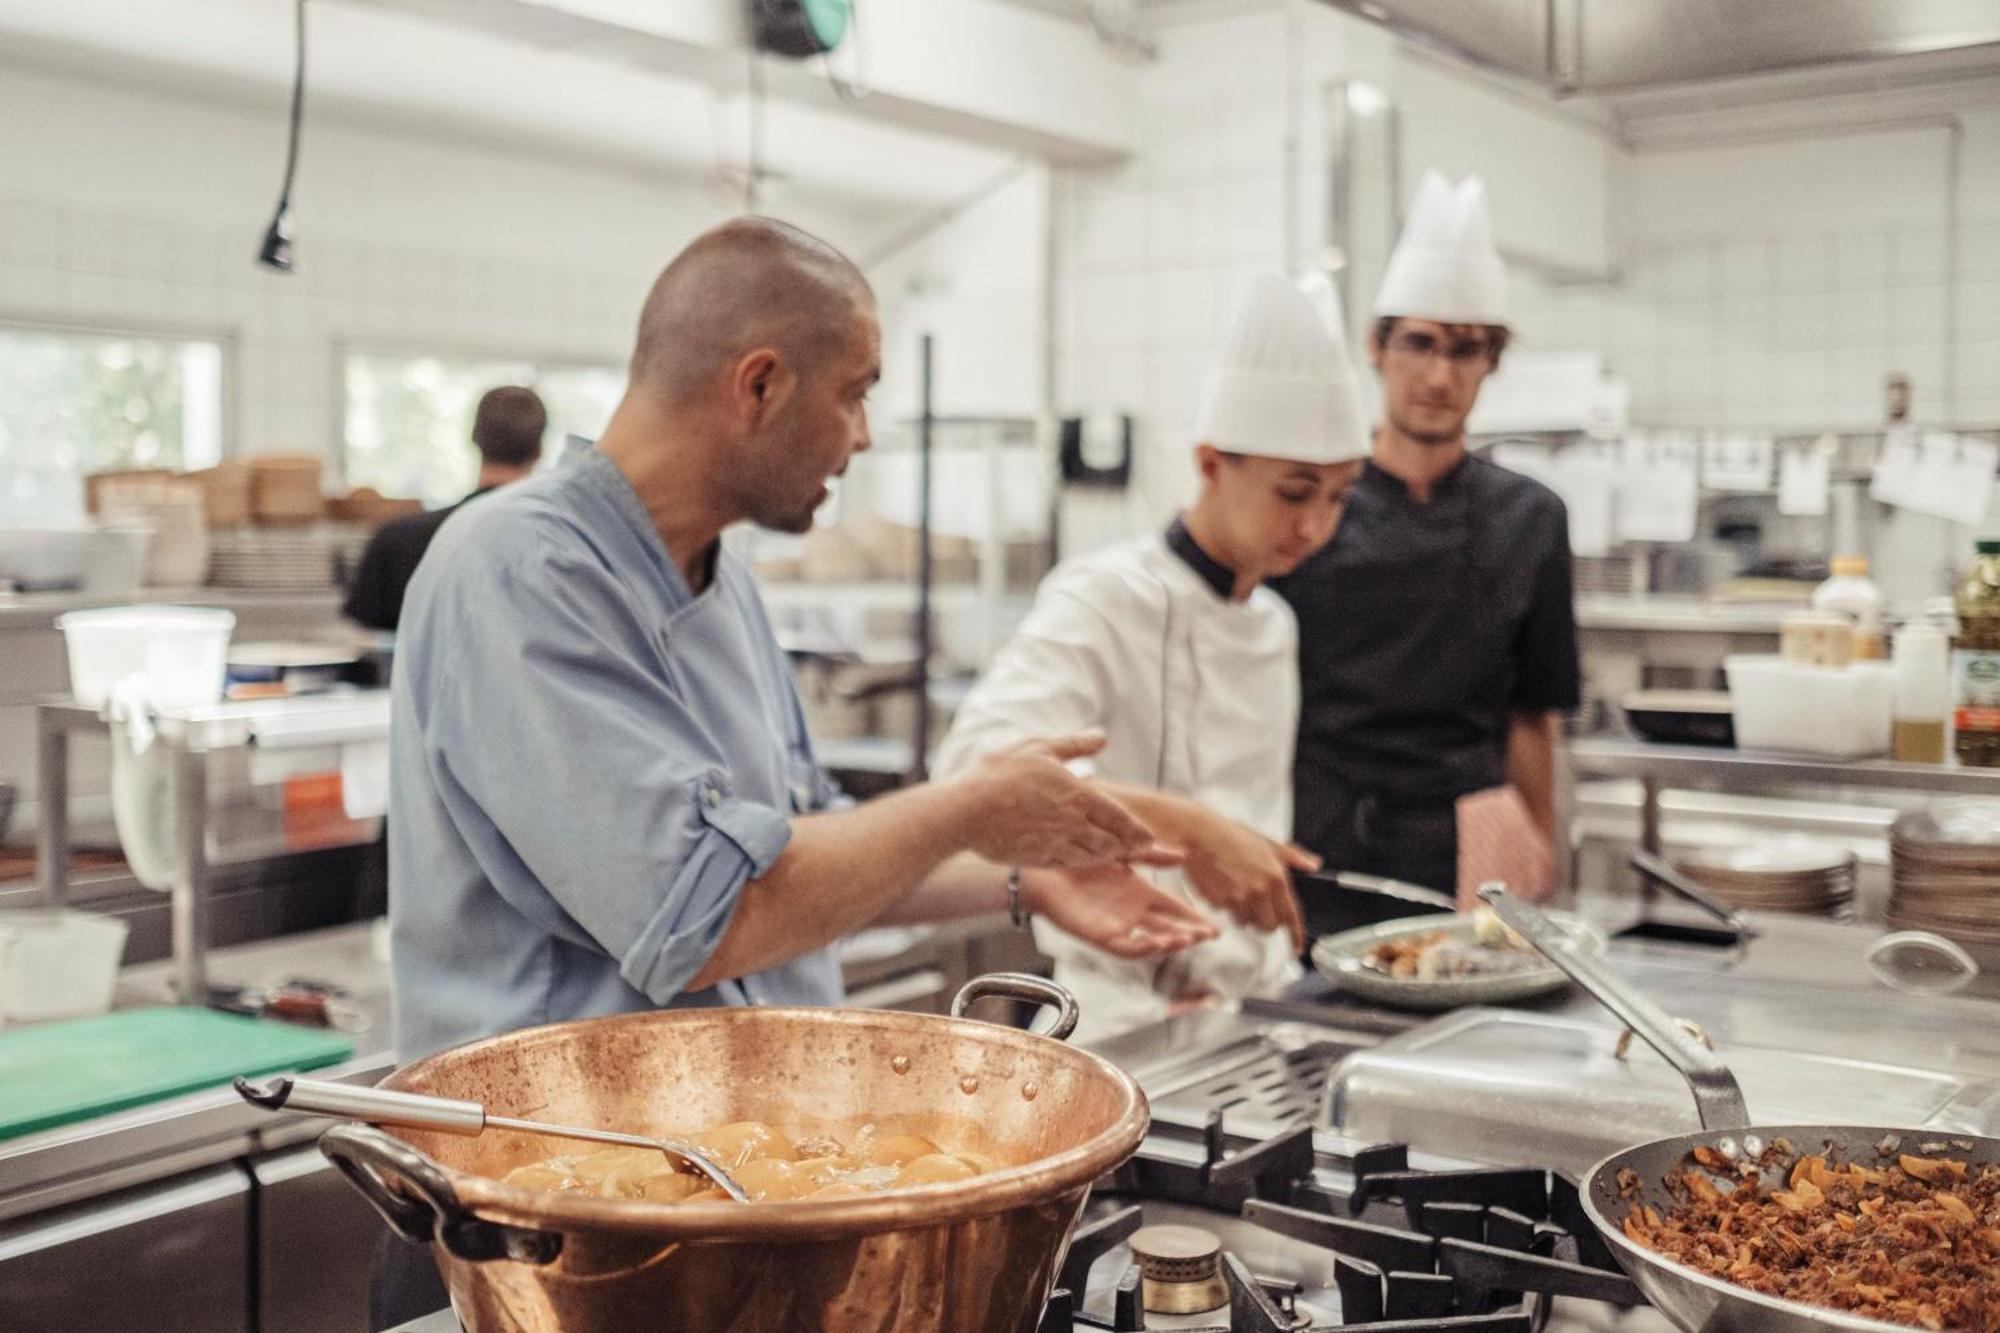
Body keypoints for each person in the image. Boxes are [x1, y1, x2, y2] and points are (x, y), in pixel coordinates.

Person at [935, 272, 1371, 1039]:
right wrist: (1192, 829)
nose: (1315, 525)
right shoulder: (1102, 595)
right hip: (1119, 1021)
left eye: (1338, 497)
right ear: (1209, 464)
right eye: (1295, 492)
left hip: (1255, 1009)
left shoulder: (1273, 621)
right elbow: (973, 772)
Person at [1271, 171, 1580, 925]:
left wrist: (1543, 850)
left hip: (1464, 841)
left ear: (1492, 362)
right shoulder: (1308, 504)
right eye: (1420, 343)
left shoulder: (1531, 516)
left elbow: (1532, 717)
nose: (1440, 375)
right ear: (1376, 347)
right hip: (1314, 832)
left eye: (1466, 350)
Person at [342, 385, 547, 632]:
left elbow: (366, 645)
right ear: (539, 450)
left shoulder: (396, 540)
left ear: (474, 438)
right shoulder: (548, 549)